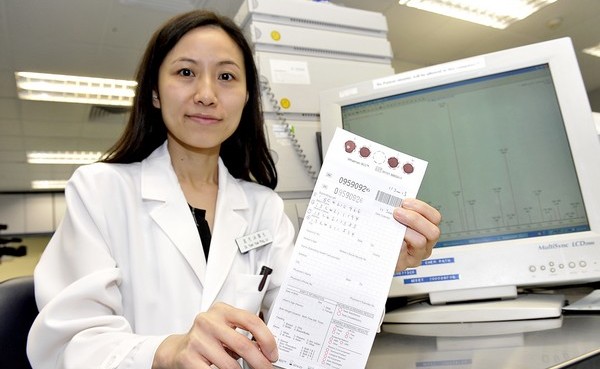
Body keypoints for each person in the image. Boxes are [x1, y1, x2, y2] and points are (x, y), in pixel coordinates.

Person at [26, 9, 441, 369]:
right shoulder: (100, 191)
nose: (206, 95)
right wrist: (168, 352)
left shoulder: (263, 207)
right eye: (186, 72)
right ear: (154, 92)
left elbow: (302, 328)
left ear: (245, 97)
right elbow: (68, 346)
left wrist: (375, 264)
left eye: (226, 76)